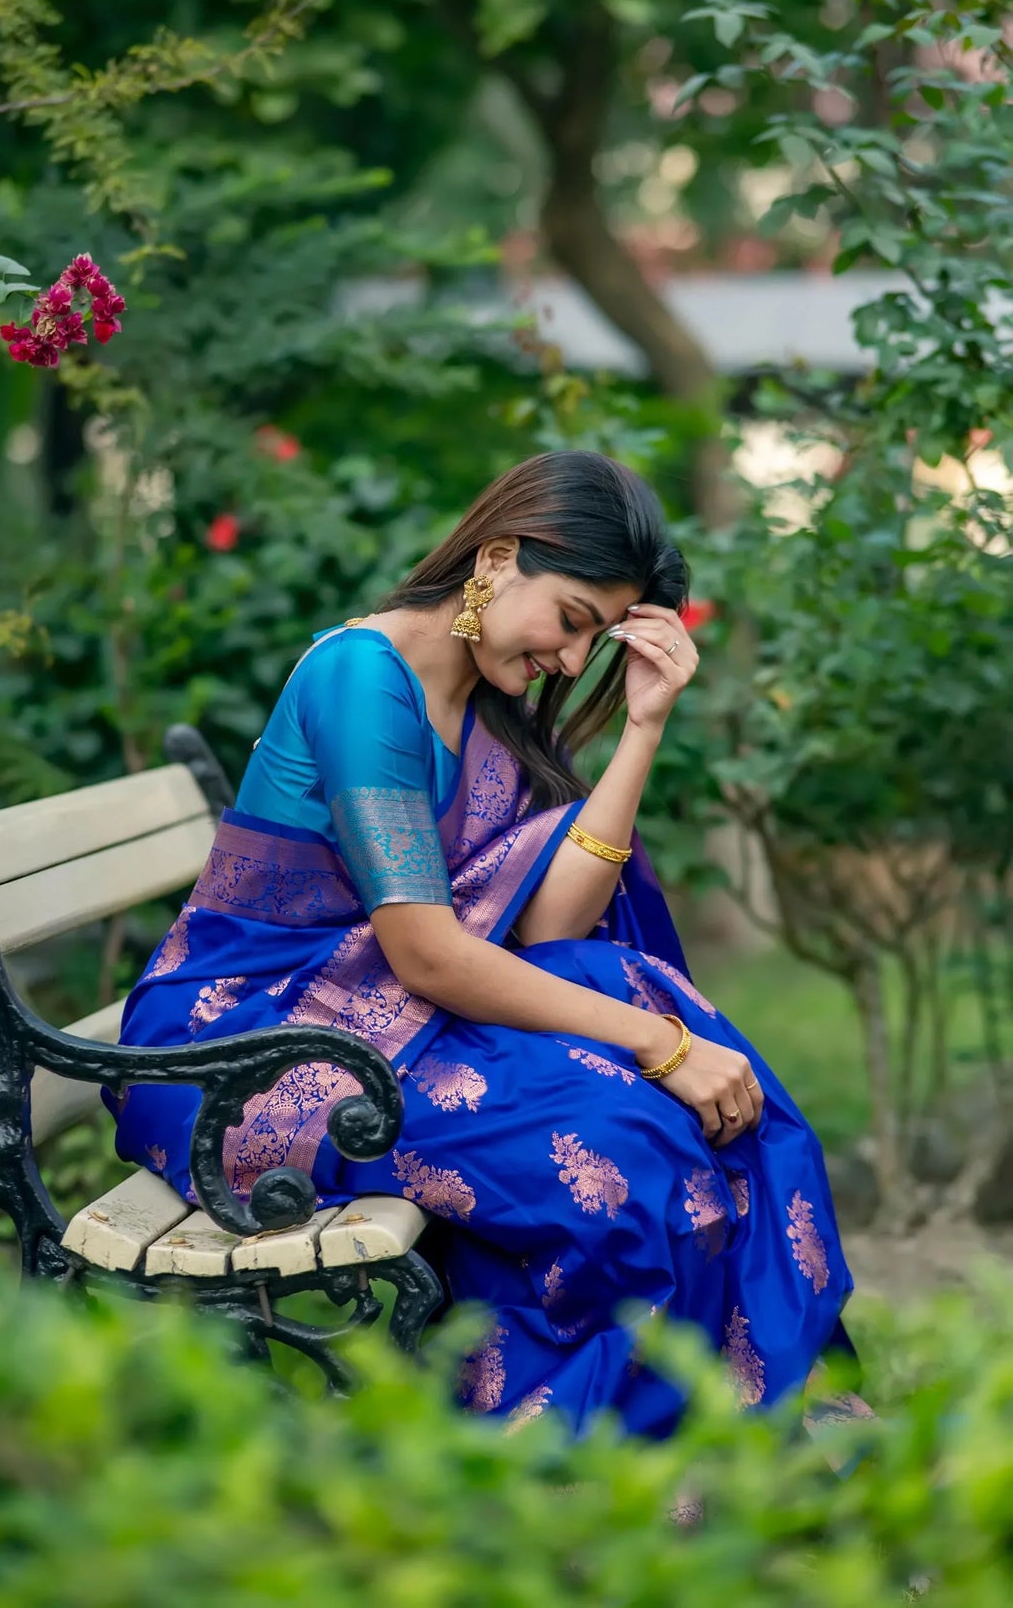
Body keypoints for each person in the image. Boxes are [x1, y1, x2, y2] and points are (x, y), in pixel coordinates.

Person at [109, 449, 864, 1439]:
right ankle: (576, 1461)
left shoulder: (480, 705)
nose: (569, 658)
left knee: (691, 1078)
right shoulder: (362, 681)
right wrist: (657, 1047)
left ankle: (735, 1433)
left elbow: (547, 932)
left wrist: (643, 724)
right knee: (626, 1146)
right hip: (249, 1050)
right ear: (499, 558)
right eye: (572, 620)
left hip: (377, 1026)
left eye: (592, 638)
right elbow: (428, 954)